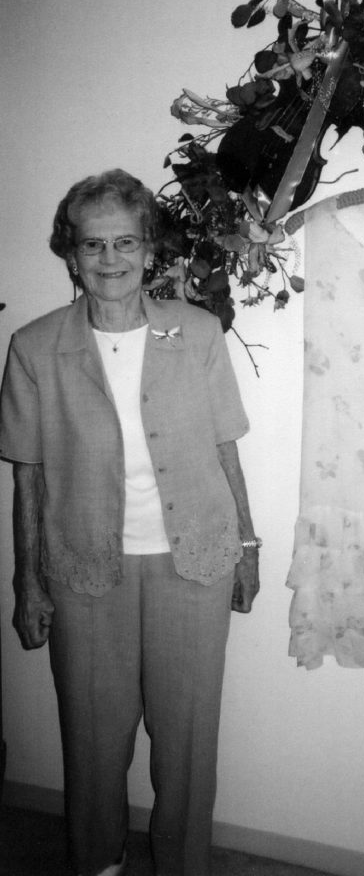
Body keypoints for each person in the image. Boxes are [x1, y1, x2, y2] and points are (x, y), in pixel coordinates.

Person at [0, 169, 260, 876]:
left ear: (149, 250)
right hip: (84, 569)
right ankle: (100, 862)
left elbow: (223, 449)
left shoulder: (198, 331)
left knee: (186, 741)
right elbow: (28, 476)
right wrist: (27, 581)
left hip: (194, 564)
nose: (109, 259)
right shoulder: (32, 348)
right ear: (71, 255)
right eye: (93, 245)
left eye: (124, 242)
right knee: (92, 739)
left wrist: (248, 546)